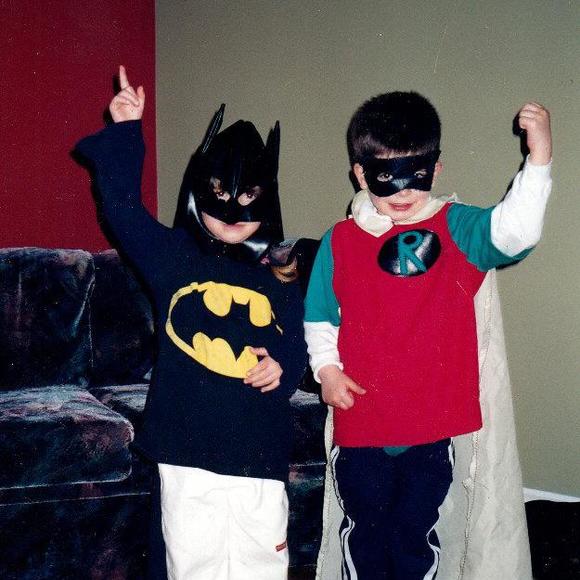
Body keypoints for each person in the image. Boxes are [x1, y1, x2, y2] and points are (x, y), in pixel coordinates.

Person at [304, 91, 552, 579]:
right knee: (366, 536)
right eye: (385, 175)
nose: (401, 191)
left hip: (430, 427)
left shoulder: (456, 228)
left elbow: (515, 232)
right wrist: (327, 371)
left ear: (435, 169)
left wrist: (539, 158)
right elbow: (320, 316)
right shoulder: (341, 240)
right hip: (363, 423)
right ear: (360, 174)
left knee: (416, 537)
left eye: (414, 173)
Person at [76, 66, 307, 580]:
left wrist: (285, 367)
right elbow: (122, 209)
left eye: (247, 198)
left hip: (258, 451)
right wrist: (126, 130)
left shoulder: (280, 275)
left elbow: (301, 342)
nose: (232, 211)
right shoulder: (172, 258)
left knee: (260, 559)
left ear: (267, 199)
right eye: (220, 194)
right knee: (191, 560)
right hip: (185, 448)